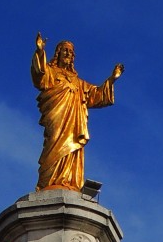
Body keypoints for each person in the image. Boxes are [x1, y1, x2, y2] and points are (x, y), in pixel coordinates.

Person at [31, 33, 124, 192]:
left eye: (70, 52)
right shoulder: (51, 72)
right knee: (54, 142)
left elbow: (95, 95)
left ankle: (68, 180)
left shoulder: (78, 82)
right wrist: (40, 51)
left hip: (75, 119)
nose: (68, 54)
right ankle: (50, 180)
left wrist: (112, 79)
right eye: (65, 50)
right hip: (57, 115)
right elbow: (39, 75)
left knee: (73, 145)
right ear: (58, 53)